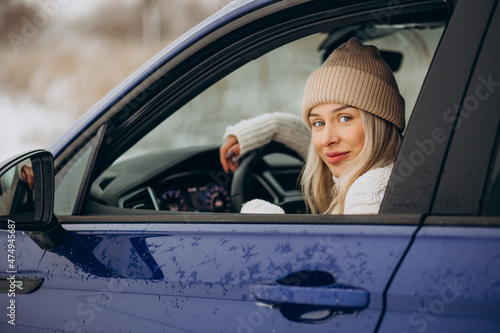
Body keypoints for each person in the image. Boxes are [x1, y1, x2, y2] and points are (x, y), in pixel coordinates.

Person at [220, 38, 404, 214]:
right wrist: (270, 127)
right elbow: (309, 144)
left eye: (345, 118)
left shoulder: (369, 190)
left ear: (380, 122)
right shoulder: (401, 170)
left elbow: (352, 248)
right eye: (318, 123)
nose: (326, 140)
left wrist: (274, 230)